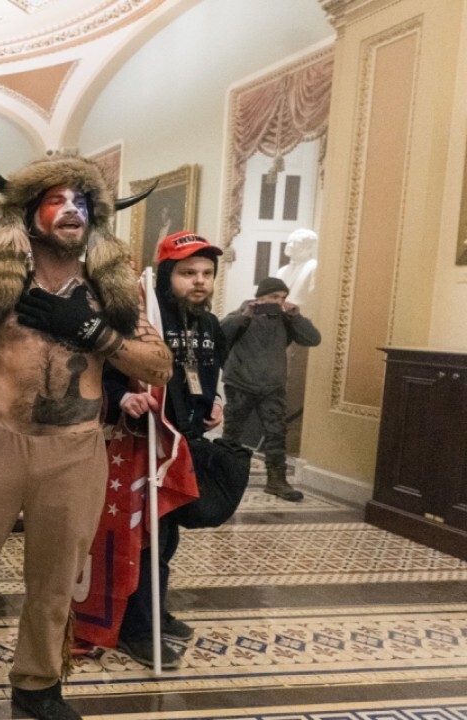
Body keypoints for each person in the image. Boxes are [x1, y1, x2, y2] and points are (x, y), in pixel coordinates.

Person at [0, 143, 171, 720]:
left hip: (76, 451)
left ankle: (39, 685)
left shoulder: (112, 295)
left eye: (82, 202)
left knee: (55, 580)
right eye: (56, 200)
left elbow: (158, 365)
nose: (72, 210)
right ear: (29, 214)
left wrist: (94, 332)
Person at [103, 231, 228, 671]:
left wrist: (214, 404)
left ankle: (154, 610)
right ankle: (137, 628)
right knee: (146, 540)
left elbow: (211, 375)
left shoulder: (209, 324)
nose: (199, 282)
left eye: (207, 273)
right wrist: (124, 398)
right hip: (142, 443)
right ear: (165, 276)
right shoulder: (143, 319)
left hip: (185, 444)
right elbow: (109, 371)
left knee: (168, 537)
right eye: (187, 273)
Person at [220, 276, 321, 501]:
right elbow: (220, 334)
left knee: (277, 434)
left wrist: (296, 316)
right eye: (273, 296)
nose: (278, 301)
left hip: (272, 387)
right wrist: (244, 315)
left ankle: (277, 481)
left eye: (283, 297)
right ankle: (224, 477)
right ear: (260, 297)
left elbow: (313, 339)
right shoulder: (241, 314)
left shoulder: (286, 319)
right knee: (232, 433)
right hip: (240, 383)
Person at [274, 228, 319, 313]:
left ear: (309, 247)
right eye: (289, 242)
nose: (290, 245)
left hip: (302, 318)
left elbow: (314, 298)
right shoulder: (281, 271)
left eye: (296, 243)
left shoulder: (314, 267)